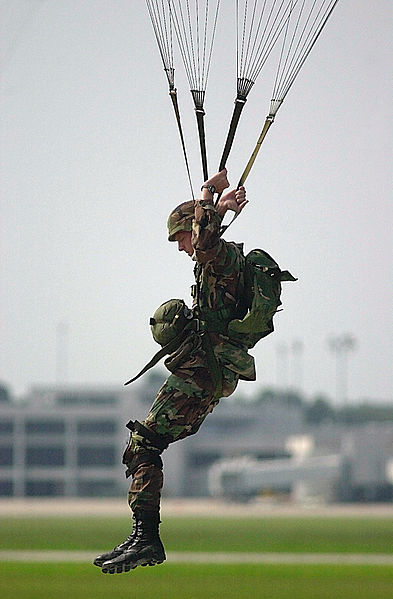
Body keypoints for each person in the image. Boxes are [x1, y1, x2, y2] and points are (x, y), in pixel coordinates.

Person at [94, 168, 256, 574]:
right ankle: (143, 535)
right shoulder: (219, 261)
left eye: (180, 238)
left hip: (202, 371)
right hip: (207, 371)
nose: (181, 248)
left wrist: (208, 196)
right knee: (145, 446)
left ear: (193, 229)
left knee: (142, 445)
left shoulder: (219, 257)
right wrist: (217, 206)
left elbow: (204, 242)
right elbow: (206, 241)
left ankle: (146, 539)